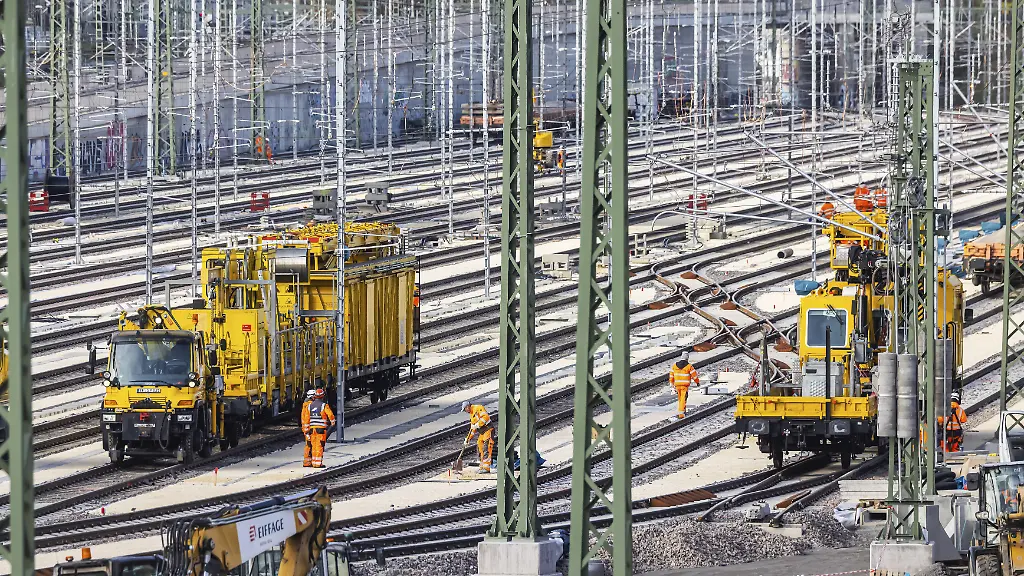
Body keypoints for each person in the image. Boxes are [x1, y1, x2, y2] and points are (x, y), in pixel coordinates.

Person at [301, 388, 335, 468]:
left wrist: (306, 431)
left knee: (312, 445)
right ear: (323, 396)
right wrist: (332, 422)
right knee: (319, 446)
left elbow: (306, 419)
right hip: (321, 429)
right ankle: (317, 463)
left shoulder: (309, 406)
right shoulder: (324, 405)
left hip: (312, 429)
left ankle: (310, 462)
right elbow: (330, 415)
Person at [462, 401, 494, 473]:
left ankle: (486, 467)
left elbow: (485, 417)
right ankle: (482, 466)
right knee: (480, 447)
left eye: (465, 409)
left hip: (488, 429)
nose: (465, 411)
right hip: (482, 432)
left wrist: (478, 424)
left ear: (467, 407)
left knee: (487, 447)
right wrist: (468, 439)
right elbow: (472, 429)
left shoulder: (478, 408)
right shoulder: (472, 414)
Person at [669, 351, 699, 418]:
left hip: (677, 385)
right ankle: (681, 414)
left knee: (680, 399)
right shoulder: (689, 366)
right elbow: (694, 376)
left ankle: (683, 411)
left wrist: (671, 384)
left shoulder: (674, 365)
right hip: (684, 386)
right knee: (683, 399)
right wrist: (697, 382)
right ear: (687, 358)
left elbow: (671, 376)